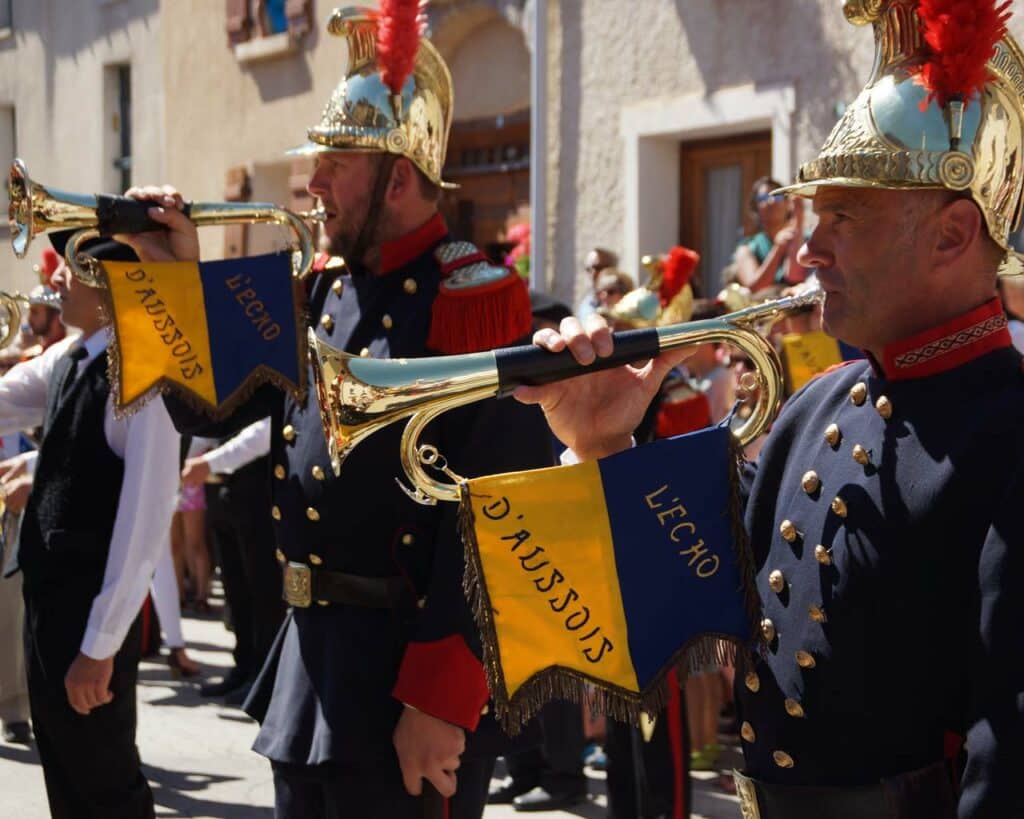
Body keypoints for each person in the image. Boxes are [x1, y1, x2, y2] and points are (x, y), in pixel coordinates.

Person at [514, 6, 1024, 818]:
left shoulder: (1009, 434)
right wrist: (602, 441)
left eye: (845, 216)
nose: (810, 248)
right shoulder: (816, 405)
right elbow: (667, 605)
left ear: (954, 234)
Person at [117, 8, 552, 819]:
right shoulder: (323, 288)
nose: (313, 182)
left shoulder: (473, 300)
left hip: (404, 685)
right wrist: (168, 275)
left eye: (334, 162)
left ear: (397, 175)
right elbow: (200, 404)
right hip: (312, 662)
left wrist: (441, 697)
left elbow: (502, 518)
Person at [0, 233, 179, 818]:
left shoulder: (140, 371)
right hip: (52, 610)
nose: (57, 279)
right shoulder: (76, 353)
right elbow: (11, 400)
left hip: (86, 621)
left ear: (109, 291)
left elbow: (144, 519)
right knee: (67, 782)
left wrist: (100, 647)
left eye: (74, 270)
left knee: (104, 788)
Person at [181, 419, 282, 705]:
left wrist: (210, 463)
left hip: (259, 492)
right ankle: (244, 668)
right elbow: (213, 425)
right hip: (227, 492)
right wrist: (189, 459)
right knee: (237, 591)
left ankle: (263, 679)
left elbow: (263, 432)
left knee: (263, 593)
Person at [732, 177, 808, 291]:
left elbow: (795, 278)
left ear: (788, 204)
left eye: (777, 196)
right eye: (763, 198)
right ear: (756, 208)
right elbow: (755, 287)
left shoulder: (809, 241)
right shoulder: (747, 248)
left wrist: (799, 219)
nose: (770, 201)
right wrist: (778, 249)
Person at [577, 247, 619, 320]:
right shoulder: (586, 302)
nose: (593, 273)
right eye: (588, 269)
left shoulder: (626, 299)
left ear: (613, 268)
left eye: (598, 268)